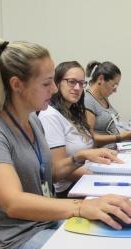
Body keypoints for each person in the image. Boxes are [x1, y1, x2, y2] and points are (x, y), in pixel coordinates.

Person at [0, 39, 131, 249]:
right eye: (47, 83)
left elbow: (50, 173)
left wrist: (79, 157)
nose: (55, 89)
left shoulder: (31, 120)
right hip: (14, 242)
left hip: (44, 224)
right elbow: (13, 202)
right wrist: (80, 207)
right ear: (17, 84)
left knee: (114, 239)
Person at [39, 61, 93, 198]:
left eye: (81, 83)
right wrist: (100, 174)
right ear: (57, 83)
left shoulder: (73, 112)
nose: (77, 87)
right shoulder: (50, 115)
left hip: (84, 181)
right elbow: (58, 171)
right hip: (69, 191)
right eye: (71, 82)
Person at [84, 61, 131, 147]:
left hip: (117, 147)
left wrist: (128, 130)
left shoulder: (103, 97)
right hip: (105, 153)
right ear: (101, 79)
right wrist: (119, 137)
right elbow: (90, 139)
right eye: (114, 85)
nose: (115, 90)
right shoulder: (87, 101)